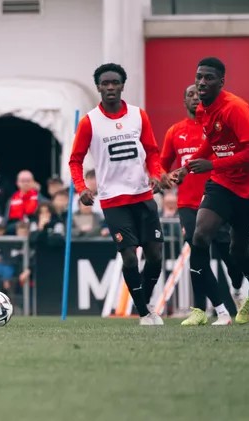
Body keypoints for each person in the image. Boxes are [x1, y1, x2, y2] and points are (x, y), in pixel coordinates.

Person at [171, 57, 249, 326]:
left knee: (239, 250)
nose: (202, 82)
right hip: (222, 183)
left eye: (208, 78)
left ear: (221, 82)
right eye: (199, 77)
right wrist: (189, 166)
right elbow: (212, 141)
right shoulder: (204, 110)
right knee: (200, 235)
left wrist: (212, 163)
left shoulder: (235, 109)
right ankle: (199, 309)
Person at [69, 63, 173, 326]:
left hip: (143, 196)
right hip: (113, 201)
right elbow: (75, 160)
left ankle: (145, 304)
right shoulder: (89, 122)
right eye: (105, 83)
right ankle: (144, 313)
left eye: (115, 82)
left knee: (156, 257)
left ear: (123, 85)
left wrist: (155, 173)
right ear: (99, 87)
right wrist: (81, 189)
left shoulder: (139, 115)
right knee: (128, 257)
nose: (110, 87)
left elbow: (152, 151)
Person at [162, 84, 244, 320]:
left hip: (218, 204)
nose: (195, 97)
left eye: (198, 94)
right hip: (188, 204)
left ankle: (237, 289)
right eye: (190, 94)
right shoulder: (175, 131)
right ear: (184, 102)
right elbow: (162, 163)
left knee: (231, 257)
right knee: (198, 256)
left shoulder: (218, 127)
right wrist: (163, 176)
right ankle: (212, 310)